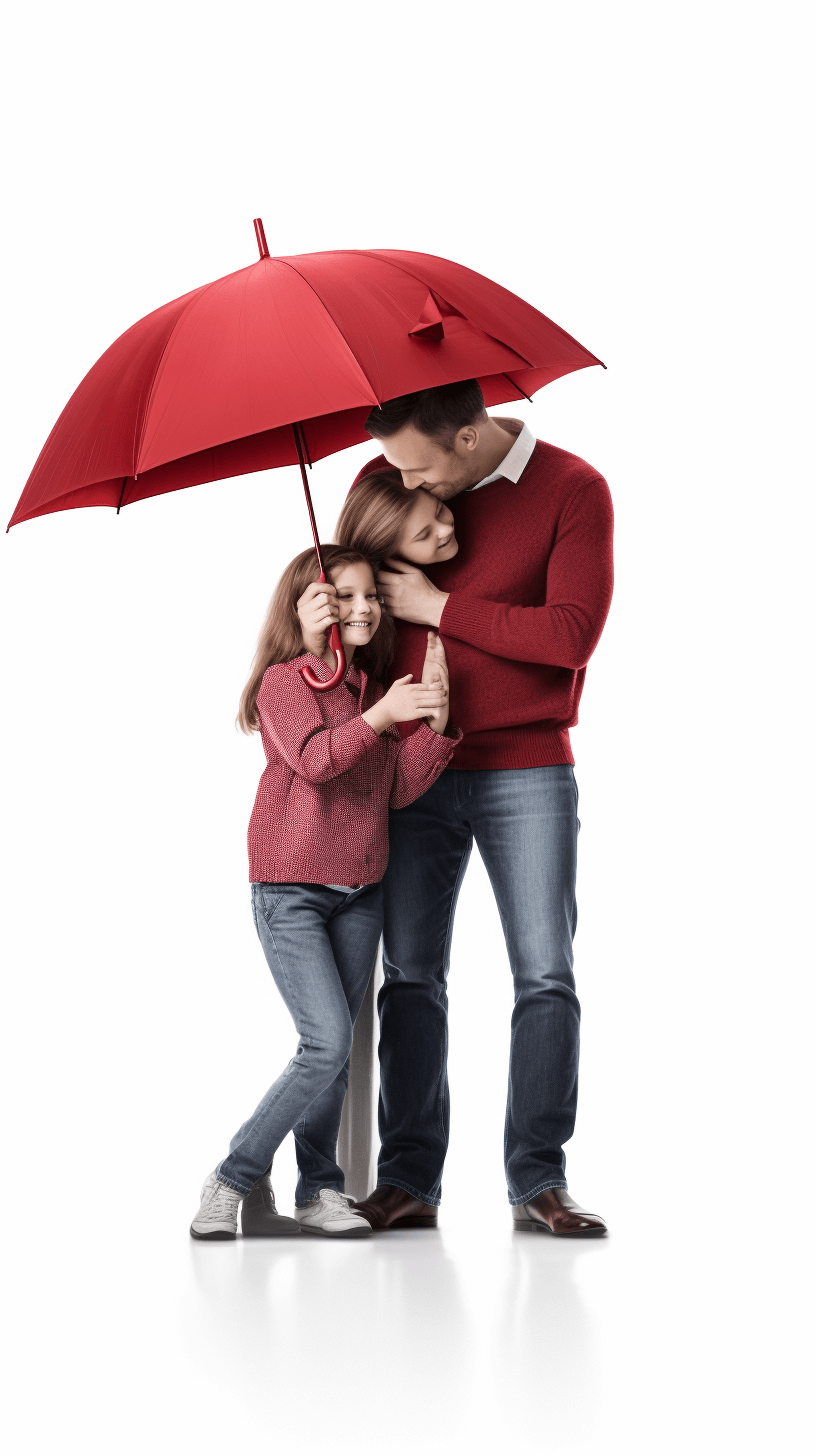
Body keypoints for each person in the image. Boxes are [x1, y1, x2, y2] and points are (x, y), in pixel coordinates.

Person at [303, 379, 614, 1236]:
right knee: (409, 977)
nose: (399, 479)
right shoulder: (394, 480)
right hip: (410, 774)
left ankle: (539, 1182)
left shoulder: (573, 490)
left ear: (470, 439)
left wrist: (439, 607)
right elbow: (363, 639)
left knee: (546, 974)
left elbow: (568, 637)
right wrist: (335, 618)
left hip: (528, 767)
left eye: (416, 466)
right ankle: (407, 1180)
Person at [190, 545, 460, 1240]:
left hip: (360, 888)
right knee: (326, 1043)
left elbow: (392, 787)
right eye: (344, 596)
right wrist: (377, 717)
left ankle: (319, 1189)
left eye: (371, 595)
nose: (364, 607)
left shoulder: (372, 689)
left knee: (333, 1054)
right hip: (291, 891)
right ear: (310, 607)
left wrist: (429, 724)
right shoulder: (285, 683)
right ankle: (232, 1177)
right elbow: (314, 762)